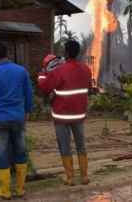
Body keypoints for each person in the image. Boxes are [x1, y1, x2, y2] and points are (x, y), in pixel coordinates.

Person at [0, 41, 34, 200]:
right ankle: (20, 189)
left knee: (1, 153)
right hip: (18, 118)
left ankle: (5, 190)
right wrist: (27, 110)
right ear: (8, 54)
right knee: (20, 151)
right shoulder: (21, 71)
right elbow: (29, 93)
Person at [38, 40, 92, 186]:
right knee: (81, 144)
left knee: (65, 145)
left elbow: (45, 88)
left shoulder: (59, 71)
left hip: (62, 115)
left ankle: (70, 177)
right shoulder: (86, 69)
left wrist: (43, 72)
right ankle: (84, 176)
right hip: (79, 114)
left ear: (66, 53)